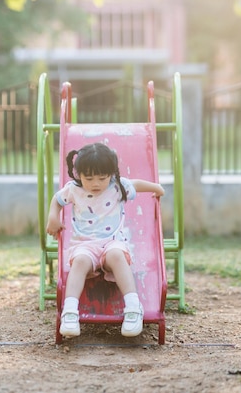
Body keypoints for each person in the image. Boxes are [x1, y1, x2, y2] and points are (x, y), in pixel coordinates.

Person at [46, 142, 165, 338]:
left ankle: (134, 308)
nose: (96, 183)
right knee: (80, 262)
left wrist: (156, 187)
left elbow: (135, 183)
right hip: (84, 244)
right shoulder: (74, 190)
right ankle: (69, 312)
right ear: (78, 174)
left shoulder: (117, 186)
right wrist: (53, 217)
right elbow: (57, 200)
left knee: (117, 256)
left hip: (112, 242)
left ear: (111, 174)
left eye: (102, 178)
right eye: (89, 178)